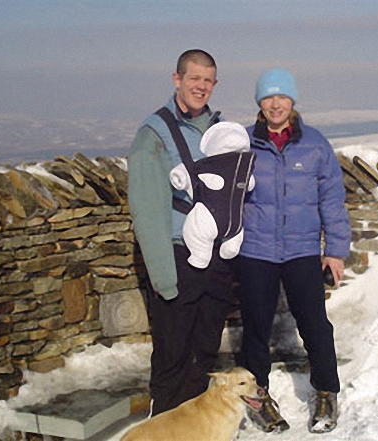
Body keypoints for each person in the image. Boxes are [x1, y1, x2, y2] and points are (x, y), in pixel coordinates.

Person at [237, 68, 351, 434]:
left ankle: (326, 391)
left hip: (302, 249)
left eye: (281, 97)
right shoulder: (242, 143)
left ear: (292, 101)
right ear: (259, 103)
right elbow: (225, 195)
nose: (275, 104)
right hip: (255, 249)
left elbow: (331, 198)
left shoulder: (314, 144)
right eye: (268, 98)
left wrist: (335, 249)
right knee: (255, 327)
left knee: (315, 325)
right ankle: (258, 395)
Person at [127, 49, 236, 416]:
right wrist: (163, 277)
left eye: (208, 81)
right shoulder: (153, 134)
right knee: (172, 356)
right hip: (177, 257)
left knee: (204, 354)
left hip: (217, 259)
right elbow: (147, 209)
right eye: (194, 79)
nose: (200, 87)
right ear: (177, 80)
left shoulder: (221, 131)